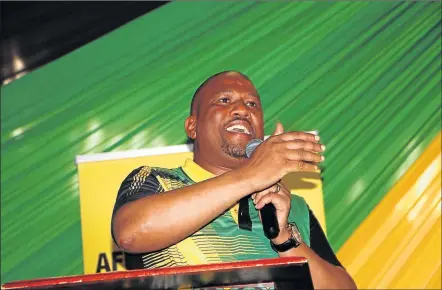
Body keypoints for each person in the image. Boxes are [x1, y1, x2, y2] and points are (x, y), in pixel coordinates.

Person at [111, 71, 357, 289]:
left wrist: (285, 239)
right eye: (224, 100)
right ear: (192, 127)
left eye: (252, 104)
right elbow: (130, 233)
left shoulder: (293, 207)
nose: (243, 110)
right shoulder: (157, 181)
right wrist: (250, 177)